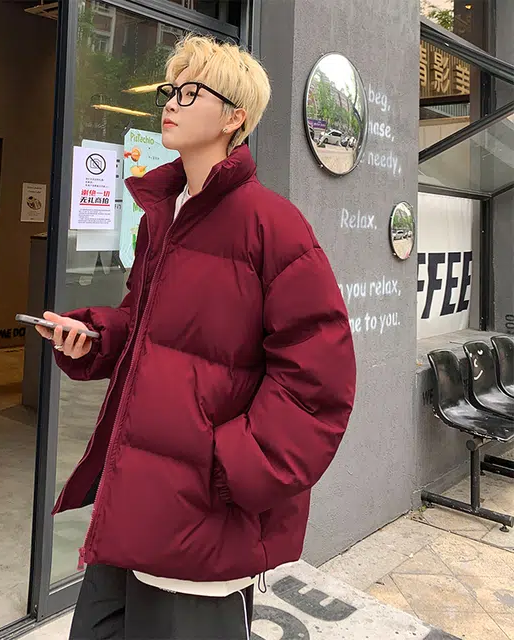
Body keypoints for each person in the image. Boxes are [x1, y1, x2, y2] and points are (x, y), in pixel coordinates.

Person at [36, 34, 356, 640]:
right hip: (131, 503)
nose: (171, 102)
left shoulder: (274, 226)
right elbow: (144, 323)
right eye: (171, 90)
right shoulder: (163, 216)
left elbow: (320, 383)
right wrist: (96, 336)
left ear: (235, 117)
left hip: (203, 525)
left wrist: (231, 465)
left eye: (190, 92)